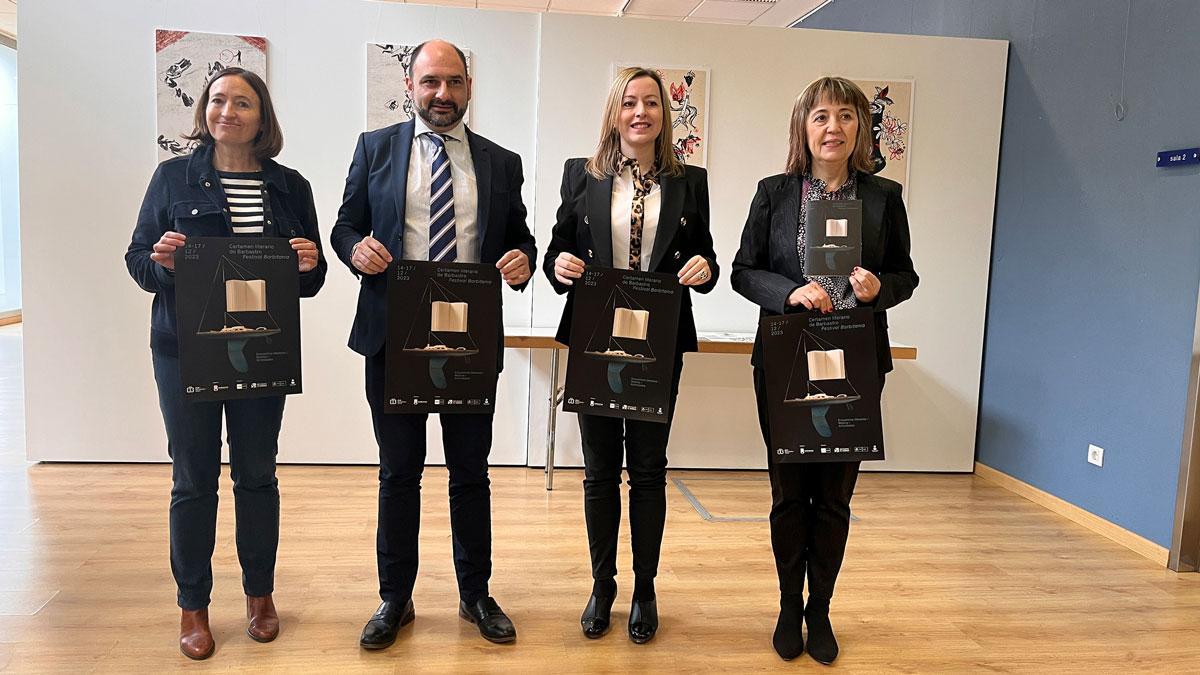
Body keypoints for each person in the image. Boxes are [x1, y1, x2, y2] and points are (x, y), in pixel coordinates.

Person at [330, 39, 536, 649]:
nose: (441, 94)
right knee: (399, 473)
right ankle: (395, 597)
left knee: (471, 473)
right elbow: (345, 224)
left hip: (469, 342)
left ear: (468, 87)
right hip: (394, 338)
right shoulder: (375, 149)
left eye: (453, 82)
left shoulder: (501, 162)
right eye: (429, 82)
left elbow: (519, 235)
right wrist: (353, 250)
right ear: (410, 86)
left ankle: (475, 593)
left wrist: (522, 259)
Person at [125, 67, 327, 660]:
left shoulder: (291, 187)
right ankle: (194, 603)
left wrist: (310, 264)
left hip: (262, 347)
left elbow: (309, 285)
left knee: (257, 476)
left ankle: (259, 595)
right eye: (217, 100)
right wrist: (162, 263)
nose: (228, 111)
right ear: (203, 111)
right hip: (184, 349)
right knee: (192, 479)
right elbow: (139, 262)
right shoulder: (172, 179)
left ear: (262, 117)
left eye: (243, 102)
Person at [731, 76, 918, 665]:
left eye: (845, 116)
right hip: (787, 358)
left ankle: (822, 610)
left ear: (861, 127)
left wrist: (876, 288)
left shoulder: (884, 198)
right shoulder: (774, 193)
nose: (832, 127)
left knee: (835, 497)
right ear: (803, 127)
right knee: (789, 494)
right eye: (820, 116)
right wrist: (788, 293)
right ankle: (789, 605)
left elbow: (905, 277)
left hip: (855, 360)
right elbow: (743, 271)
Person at [543, 66, 718, 644]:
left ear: (665, 115)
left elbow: (706, 261)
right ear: (614, 112)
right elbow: (557, 250)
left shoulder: (691, 181)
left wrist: (704, 270)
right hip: (595, 336)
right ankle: (603, 584)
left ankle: (645, 587)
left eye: (651, 103)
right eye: (629, 102)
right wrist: (560, 268)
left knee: (647, 470)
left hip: (659, 343)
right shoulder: (582, 175)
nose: (640, 112)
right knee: (598, 473)